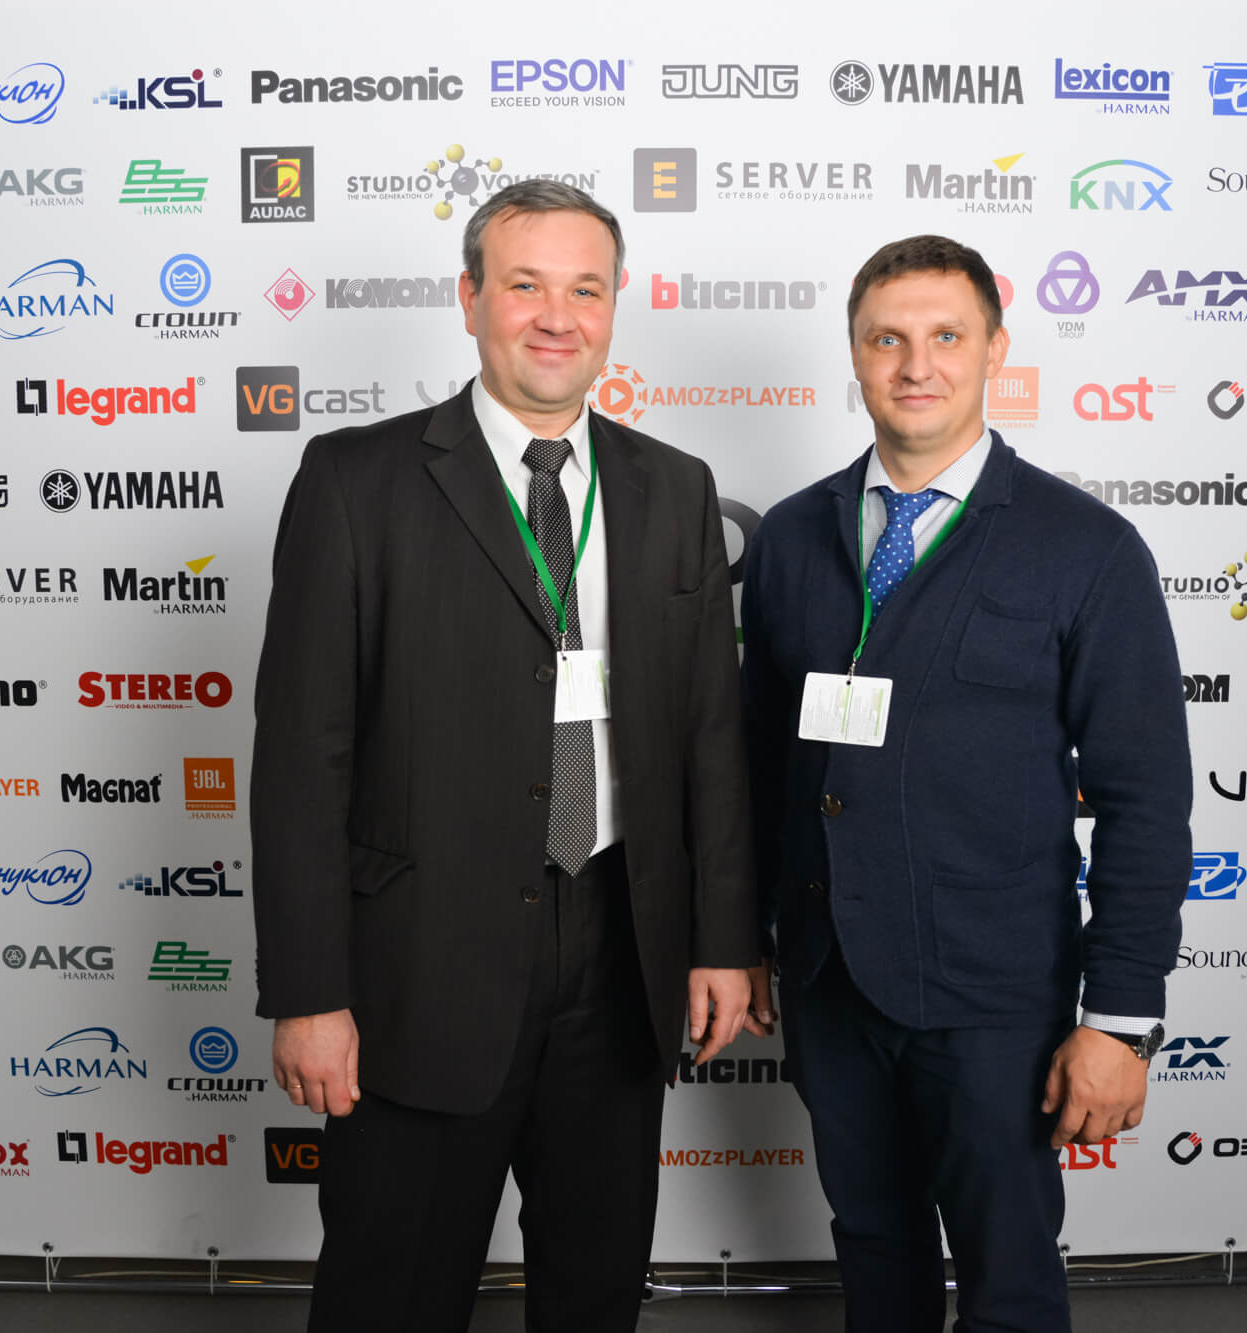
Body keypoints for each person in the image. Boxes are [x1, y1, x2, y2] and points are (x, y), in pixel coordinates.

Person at [249, 179, 760, 1332]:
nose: (555, 316)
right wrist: (310, 991)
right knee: (391, 1295)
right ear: (470, 298)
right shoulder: (355, 479)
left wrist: (724, 938)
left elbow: (709, 736)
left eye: (584, 289)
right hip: (418, 967)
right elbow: (300, 762)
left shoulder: (671, 486)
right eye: (524, 285)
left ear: (614, 306)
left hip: (620, 954)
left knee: (593, 1291)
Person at [740, 234, 1192, 1333]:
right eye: (885, 339)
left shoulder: (1085, 547)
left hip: (996, 998)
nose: (915, 365)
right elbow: (757, 764)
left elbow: (1144, 801)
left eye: (946, 336)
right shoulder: (792, 534)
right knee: (872, 1250)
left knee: (1008, 1275)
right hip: (830, 981)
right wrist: (743, 936)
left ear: (995, 348)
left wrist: (1119, 1021)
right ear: (854, 353)